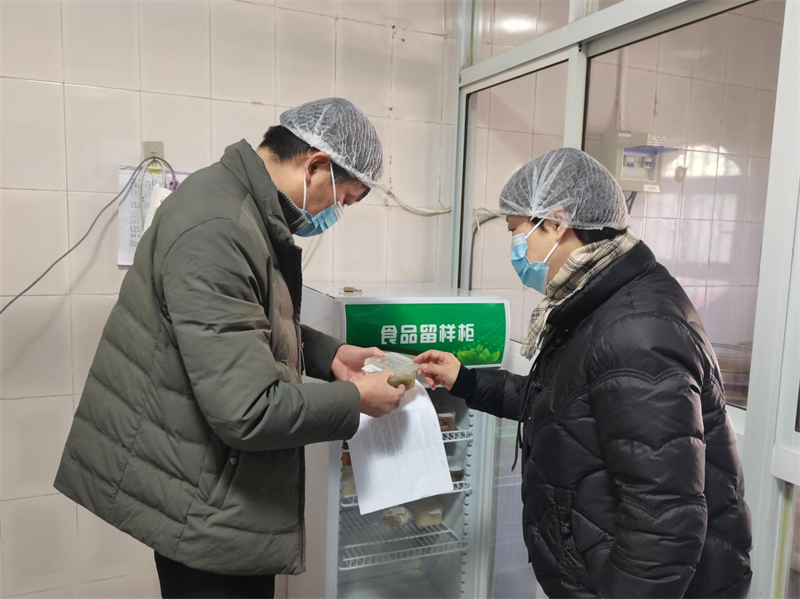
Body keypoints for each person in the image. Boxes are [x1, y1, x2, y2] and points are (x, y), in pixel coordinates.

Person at [54, 98, 405, 599]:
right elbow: (249, 409)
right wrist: (357, 400)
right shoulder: (220, 228)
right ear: (315, 165)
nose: (335, 214)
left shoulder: (236, 203)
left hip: (208, 484)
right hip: (201, 499)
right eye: (342, 200)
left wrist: (329, 356)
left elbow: (244, 324)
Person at [415, 148, 752, 599]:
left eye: (516, 231)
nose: (515, 248)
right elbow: (568, 405)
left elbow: (663, 522)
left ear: (556, 222)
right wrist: (467, 381)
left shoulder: (636, 331)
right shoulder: (598, 301)